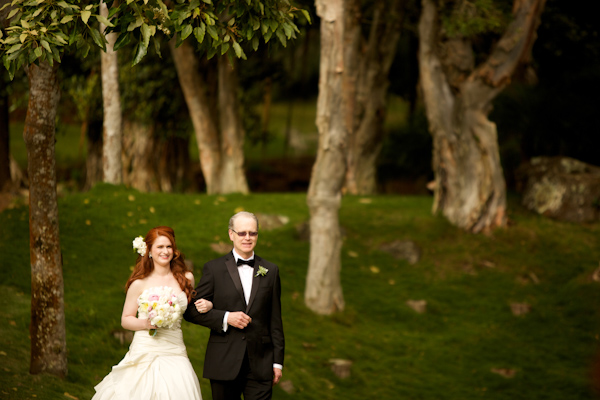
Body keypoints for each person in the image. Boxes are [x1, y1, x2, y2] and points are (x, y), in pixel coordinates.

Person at [92, 226, 212, 400]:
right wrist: (146, 323)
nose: (165, 251)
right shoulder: (139, 283)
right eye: (160, 247)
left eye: (169, 246)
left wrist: (207, 304)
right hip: (146, 349)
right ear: (149, 251)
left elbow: (190, 309)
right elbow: (126, 320)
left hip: (174, 350)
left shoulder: (186, 278)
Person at [184, 211, 285, 400]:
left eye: (252, 233)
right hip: (224, 360)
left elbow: (275, 319)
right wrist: (225, 317)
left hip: (261, 363)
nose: (247, 237)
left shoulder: (270, 271)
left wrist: (277, 362)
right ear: (231, 234)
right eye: (242, 233)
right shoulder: (213, 269)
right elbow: (190, 312)